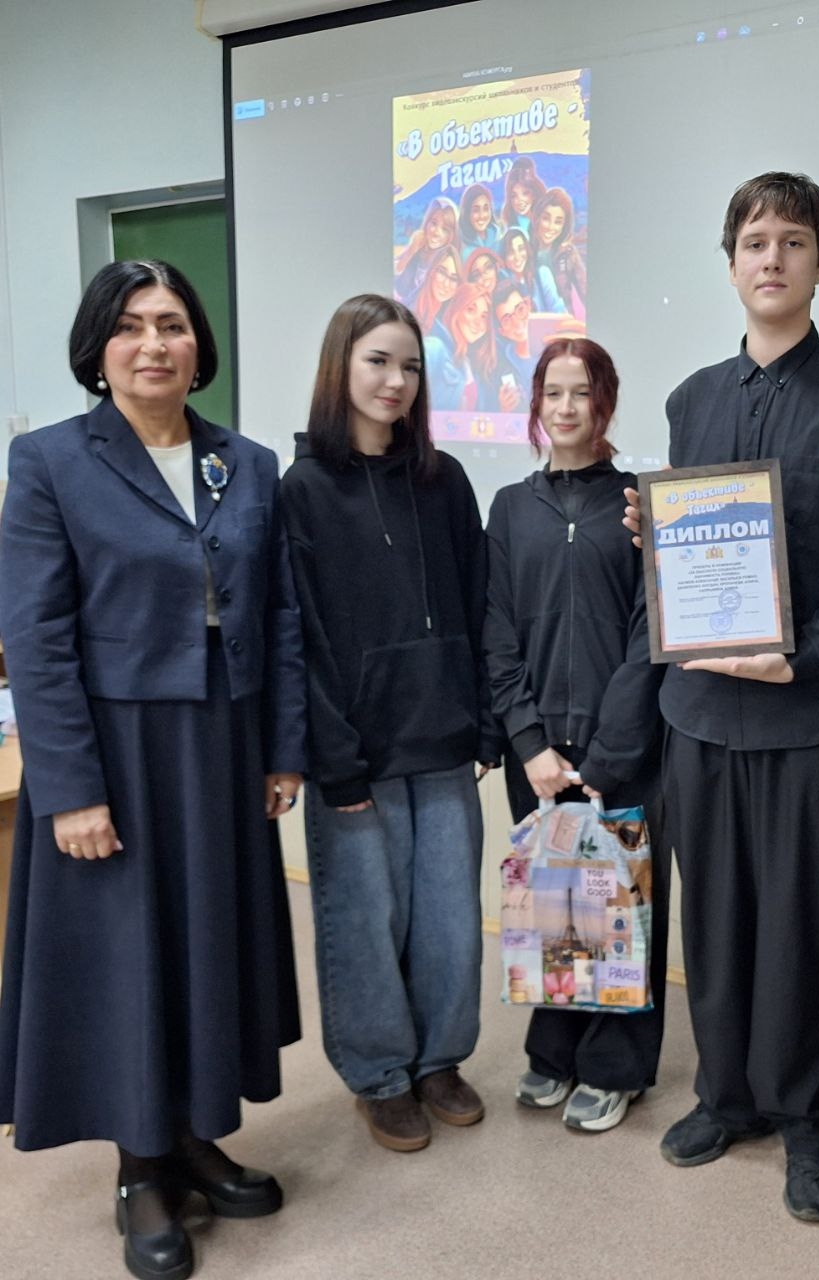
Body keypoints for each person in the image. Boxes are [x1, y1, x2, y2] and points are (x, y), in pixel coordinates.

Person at [625, 172, 819, 1222]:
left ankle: (806, 1117)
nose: (771, 258)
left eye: (793, 241)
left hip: (812, 717)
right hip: (700, 717)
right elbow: (691, 553)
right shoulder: (690, 398)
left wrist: (804, 654)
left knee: (801, 933)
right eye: (754, 241)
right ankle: (727, 1096)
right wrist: (653, 538)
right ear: (730, 263)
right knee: (711, 930)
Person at [0, 259, 306, 1280]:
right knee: (131, 953)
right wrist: (71, 787)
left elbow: (280, 616)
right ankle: (140, 1168)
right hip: (117, 752)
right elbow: (36, 637)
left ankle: (191, 1135)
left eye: (172, 324)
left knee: (206, 943)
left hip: (224, 743)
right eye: (130, 326)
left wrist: (281, 748)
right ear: (98, 347)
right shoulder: (50, 460)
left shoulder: (245, 462)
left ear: (197, 343)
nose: (153, 344)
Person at [280, 294, 502, 1154]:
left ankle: (439, 1059)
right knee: (364, 924)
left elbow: (479, 604)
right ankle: (379, 1074)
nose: (396, 381)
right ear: (340, 366)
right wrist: (331, 756)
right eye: (378, 360)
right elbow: (298, 636)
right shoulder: (301, 491)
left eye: (410, 365)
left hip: (443, 739)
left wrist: (485, 722)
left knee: (449, 919)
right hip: (356, 754)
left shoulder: (444, 483)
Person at [484, 337, 668, 1133]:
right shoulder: (509, 507)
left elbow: (650, 633)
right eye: (552, 392)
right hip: (536, 752)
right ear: (535, 404)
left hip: (621, 750)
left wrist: (611, 753)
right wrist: (528, 741)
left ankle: (616, 1065)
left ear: (605, 403)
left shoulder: (638, 506)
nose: (566, 407)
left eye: (582, 392)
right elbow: (495, 629)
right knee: (554, 902)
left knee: (619, 909)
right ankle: (555, 1049)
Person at [425, 283, 519, 415]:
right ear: (456, 310)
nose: (478, 322)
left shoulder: (472, 367)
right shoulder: (434, 348)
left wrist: (503, 407)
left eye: (483, 316)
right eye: (470, 310)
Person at [531, 187, 586, 318]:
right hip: (530, 323)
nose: (551, 227)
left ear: (564, 225)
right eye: (546, 218)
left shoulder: (568, 253)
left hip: (562, 324)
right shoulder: (524, 251)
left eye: (558, 222)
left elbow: (586, 291)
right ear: (538, 218)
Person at [395, 197, 459, 310]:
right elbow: (396, 277)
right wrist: (410, 252)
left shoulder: (449, 260)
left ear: (452, 234)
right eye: (433, 223)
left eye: (445, 229)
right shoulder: (417, 246)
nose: (437, 233)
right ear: (426, 222)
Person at [494, 281, 538, 393]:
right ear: (502, 331)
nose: (517, 323)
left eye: (520, 309)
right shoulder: (505, 363)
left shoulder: (551, 342)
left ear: (528, 306)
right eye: (506, 320)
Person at [414, 243, 462, 340]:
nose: (446, 284)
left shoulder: (446, 321)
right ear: (431, 272)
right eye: (442, 272)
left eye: (453, 279)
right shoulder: (412, 307)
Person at [501, 157, 545, 237]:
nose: (520, 201)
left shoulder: (544, 217)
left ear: (534, 194)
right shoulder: (510, 219)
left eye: (525, 193)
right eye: (514, 196)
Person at [459, 183, 501, 253]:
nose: (482, 216)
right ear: (467, 212)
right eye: (476, 210)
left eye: (486, 209)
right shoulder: (460, 244)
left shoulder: (499, 240)